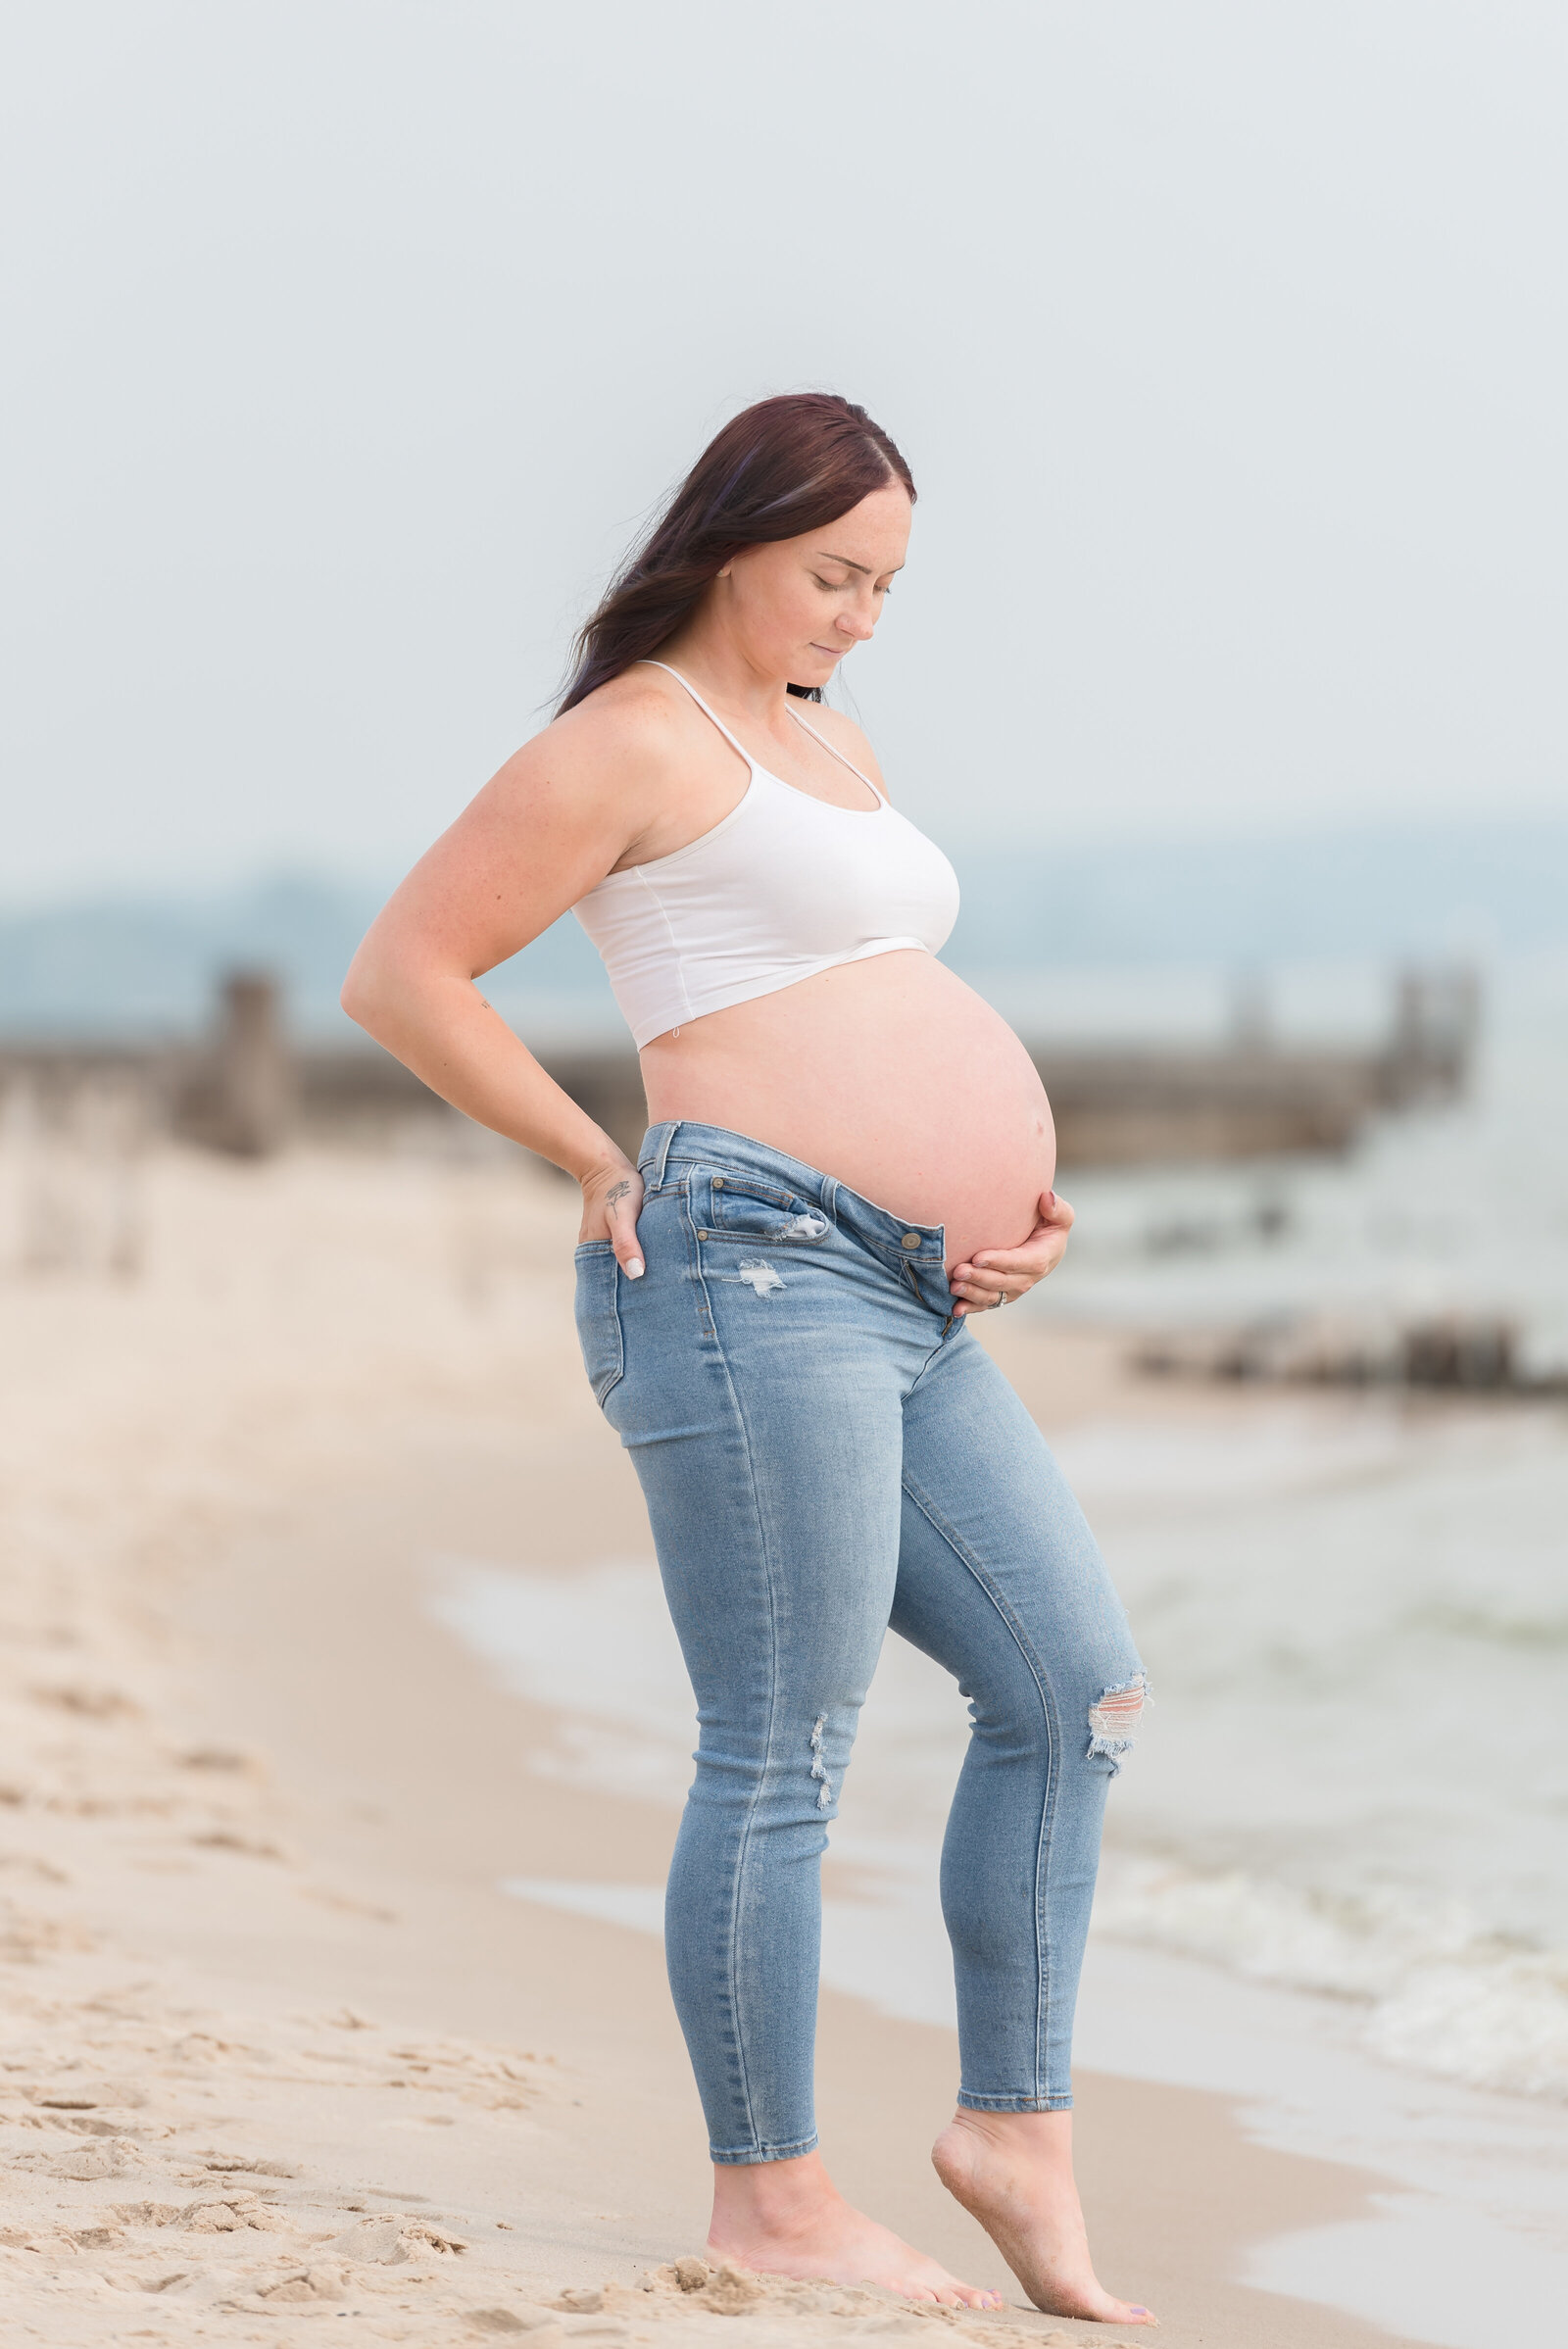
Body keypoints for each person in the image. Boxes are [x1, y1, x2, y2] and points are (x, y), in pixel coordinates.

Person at [343, 393, 1152, 2324]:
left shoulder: (825, 739)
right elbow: (403, 972)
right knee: (777, 1743)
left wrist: (998, 1207)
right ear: (729, 541)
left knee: (1075, 1687)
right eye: (831, 572)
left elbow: (873, 1004)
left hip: (900, 1288)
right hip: (744, 1268)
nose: (862, 613)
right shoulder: (632, 736)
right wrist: (590, 1151)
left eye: (884, 582)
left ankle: (1011, 2129)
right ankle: (767, 2195)